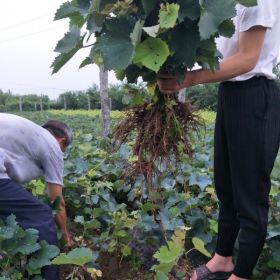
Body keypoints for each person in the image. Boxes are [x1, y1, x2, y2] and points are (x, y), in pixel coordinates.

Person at [157, 1, 280, 279]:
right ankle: (223, 258)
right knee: (226, 187)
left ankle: (241, 273)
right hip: (230, 92)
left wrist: (190, 78)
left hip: (254, 95)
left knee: (250, 196)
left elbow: (248, 58)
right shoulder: (223, 3)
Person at [0, 113, 74, 280]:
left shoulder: (27, 133)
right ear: (61, 141)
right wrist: (65, 234)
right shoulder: (52, 145)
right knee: (41, 215)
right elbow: (57, 202)